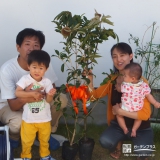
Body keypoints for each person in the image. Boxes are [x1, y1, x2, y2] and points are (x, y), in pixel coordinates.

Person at [0, 28, 68, 151]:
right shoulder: (7, 69)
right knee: (18, 121)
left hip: (39, 98)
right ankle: (14, 137)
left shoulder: (44, 63)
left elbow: (51, 88)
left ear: (40, 49)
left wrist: (42, 95)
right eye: (27, 44)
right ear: (18, 47)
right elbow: (13, 106)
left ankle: (44, 133)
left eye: (36, 45)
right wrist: (28, 95)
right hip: (12, 104)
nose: (31, 48)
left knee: (61, 100)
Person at [87, 42, 153, 160]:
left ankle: (138, 144)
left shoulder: (141, 83)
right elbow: (94, 96)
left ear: (130, 56)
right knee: (105, 141)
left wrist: (121, 112)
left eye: (122, 55)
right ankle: (119, 143)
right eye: (114, 56)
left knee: (144, 153)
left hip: (141, 127)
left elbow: (146, 114)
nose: (118, 59)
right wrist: (90, 80)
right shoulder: (112, 80)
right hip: (119, 125)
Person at [15, 50, 56, 160]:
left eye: (41, 68)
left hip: (44, 118)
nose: (37, 71)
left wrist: (50, 95)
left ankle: (45, 155)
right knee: (26, 139)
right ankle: (26, 155)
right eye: (34, 67)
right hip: (29, 119)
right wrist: (33, 93)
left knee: (44, 139)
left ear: (46, 69)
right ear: (28, 66)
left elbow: (47, 101)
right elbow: (17, 92)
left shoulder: (47, 82)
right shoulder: (25, 80)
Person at [117, 62, 160, 137]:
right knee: (138, 119)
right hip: (137, 107)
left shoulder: (125, 84)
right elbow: (149, 96)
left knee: (118, 115)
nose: (123, 76)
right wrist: (155, 103)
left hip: (126, 106)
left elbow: (119, 90)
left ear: (133, 78)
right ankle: (134, 129)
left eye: (125, 75)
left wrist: (118, 84)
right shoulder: (144, 85)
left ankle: (124, 128)